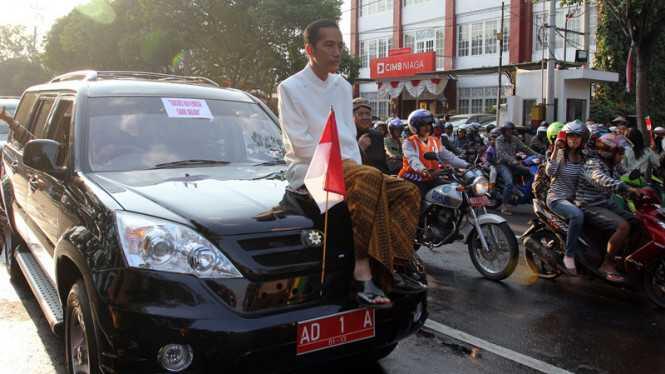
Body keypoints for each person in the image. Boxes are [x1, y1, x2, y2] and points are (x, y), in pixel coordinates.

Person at [277, 19, 422, 308]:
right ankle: (361, 268)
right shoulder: (290, 87)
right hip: (310, 169)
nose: (336, 52)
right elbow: (300, 143)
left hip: (349, 168)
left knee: (408, 191)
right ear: (309, 49)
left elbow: (348, 135)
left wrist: (356, 167)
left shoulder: (342, 86)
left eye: (339, 45)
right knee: (369, 177)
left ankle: (394, 264)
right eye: (328, 45)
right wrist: (354, 169)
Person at [575, 133, 642, 283]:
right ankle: (607, 264)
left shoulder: (613, 164)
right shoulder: (593, 163)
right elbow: (601, 179)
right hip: (588, 204)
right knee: (623, 227)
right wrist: (626, 188)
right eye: (620, 153)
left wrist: (643, 185)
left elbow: (627, 174)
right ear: (609, 152)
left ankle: (625, 257)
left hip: (604, 202)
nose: (622, 156)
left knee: (637, 221)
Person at [545, 120, 588, 274]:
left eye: (578, 136)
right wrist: (556, 149)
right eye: (571, 136)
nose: (574, 139)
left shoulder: (585, 158)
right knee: (577, 216)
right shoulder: (560, 154)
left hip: (577, 199)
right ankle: (569, 255)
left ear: (583, 139)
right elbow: (550, 173)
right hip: (557, 198)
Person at [399, 109, 468, 196]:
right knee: (420, 198)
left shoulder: (434, 140)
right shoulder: (408, 142)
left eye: (429, 124)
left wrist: (467, 165)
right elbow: (413, 159)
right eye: (423, 125)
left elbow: (449, 157)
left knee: (453, 192)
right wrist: (423, 170)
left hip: (431, 177)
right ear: (415, 127)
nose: (427, 127)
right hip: (414, 178)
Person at [495, 121, 541, 215]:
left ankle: (524, 193)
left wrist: (539, 155)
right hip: (502, 164)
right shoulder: (499, 140)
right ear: (504, 131)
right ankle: (504, 205)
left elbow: (525, 148)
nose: (510, 132)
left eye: (511, 130)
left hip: (514, 164)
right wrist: (513, 160)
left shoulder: (514, 139)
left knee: (531, 172)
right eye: (508, 130)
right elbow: (502, 154)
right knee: (509, 183)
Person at [353, 97, 390, 174]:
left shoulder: (377, 135)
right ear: (352, 117)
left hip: (379, 178)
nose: (365, 117)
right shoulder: (347, 136)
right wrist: (360, 148)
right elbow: (347, 166)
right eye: (360, 114)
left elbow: (383, 164)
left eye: (368, 114)